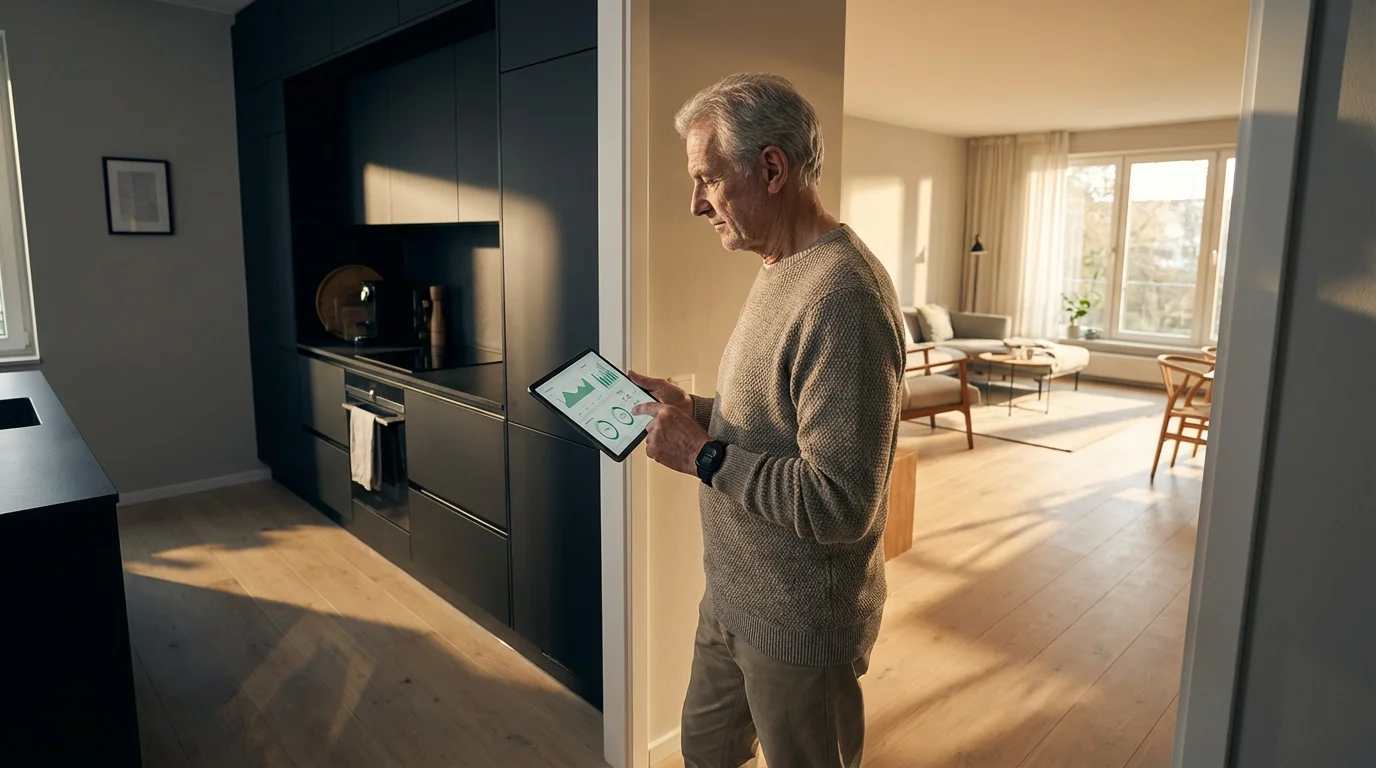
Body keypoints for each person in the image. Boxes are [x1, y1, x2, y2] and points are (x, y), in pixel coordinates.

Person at [629, 73, 906, 768]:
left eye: (707, 179)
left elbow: (840, 503)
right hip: (732, 597)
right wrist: (691, 411)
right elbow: (772, 423)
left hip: (800, 628)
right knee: (705, 754)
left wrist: (703, 454)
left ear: (772, 169)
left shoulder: (843, 299)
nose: (696, 203)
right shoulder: (782, 267)